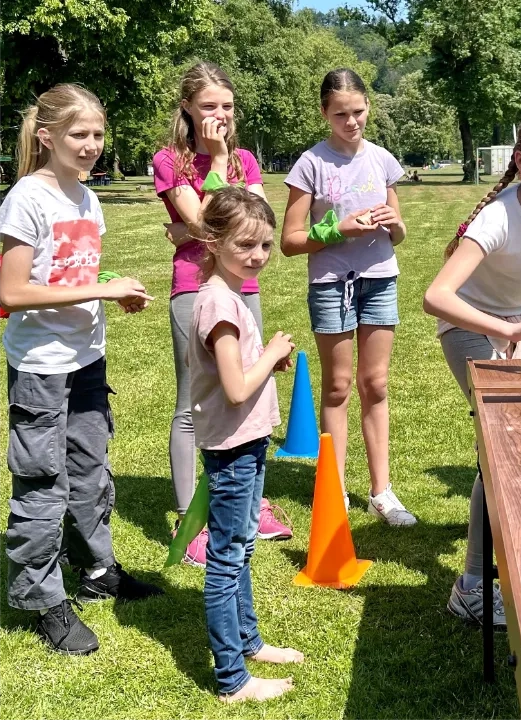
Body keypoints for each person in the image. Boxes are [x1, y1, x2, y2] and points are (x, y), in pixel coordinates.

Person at [0, 84, 162, 656]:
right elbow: (12, 290)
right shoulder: (27, 198)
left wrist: (109, 296)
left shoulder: (87, 199)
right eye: (79, 135)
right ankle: (44, 599)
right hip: (41, 367)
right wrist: (105, 287)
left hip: (87, 359)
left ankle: (97, 572)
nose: (92, 145)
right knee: (44, 484)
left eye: (97, 135)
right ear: (47, 137)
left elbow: (67, 279)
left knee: (91, 472)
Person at [423, 108, 521, 627]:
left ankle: (507, 565)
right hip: (467, 327)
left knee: (506, 450)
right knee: (501, 449)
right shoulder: (496, 218)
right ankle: (471, 587)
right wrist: (506, 331)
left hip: (514, 330)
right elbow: (436, 296)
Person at [153, 61, 291, 568]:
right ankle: (191, 517)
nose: (220, 115)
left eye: (227, 107)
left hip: (243, 288)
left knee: (248, 388)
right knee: (194, 401)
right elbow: (205, 222)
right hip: (195, 289)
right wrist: (214, 160)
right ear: (187, 107)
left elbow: (256, 221)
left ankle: (249, 504)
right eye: (209, 106)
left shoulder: (246, 159)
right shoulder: (169, 160)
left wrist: (226, 163)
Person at [280, 68, 416, 526]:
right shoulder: (310, 164)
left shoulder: (382, 160)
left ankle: (383, 492)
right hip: (331, 283)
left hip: (379, 278)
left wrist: (391, 223)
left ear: (368, 108)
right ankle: (333, 492)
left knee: (375, 384)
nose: (351, 121)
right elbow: (290, 240)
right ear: (324, 113)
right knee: (338, 386)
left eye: (358, 112)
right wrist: (337, 229)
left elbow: (398, 232)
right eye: (341, 114)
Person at [189, 186, 304, 702]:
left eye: (264, 245)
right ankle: (232, 679)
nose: (258, 255)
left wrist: (268, 363)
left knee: (241, 547)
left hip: (248, 442)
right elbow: (236, 388)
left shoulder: (227, 297)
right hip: (233, 448)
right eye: (245, 245)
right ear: (212, 241)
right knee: (227, 558)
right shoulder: (219, 305)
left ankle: (249, 642)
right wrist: (273, 351)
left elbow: (238, 375)